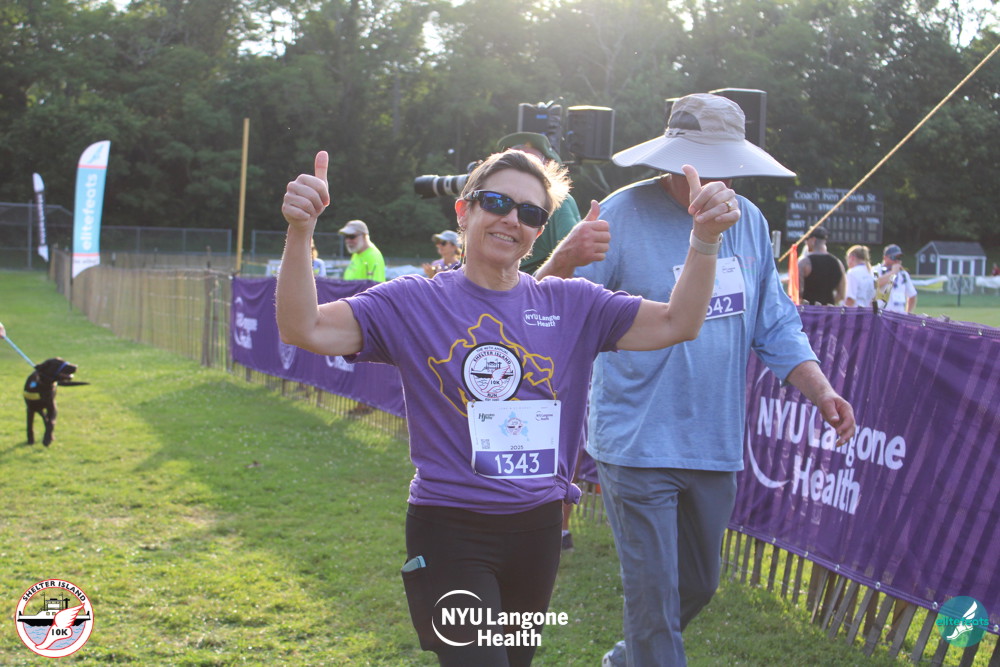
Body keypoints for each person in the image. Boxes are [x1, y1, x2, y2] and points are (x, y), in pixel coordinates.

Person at [278, 148, 739, 666]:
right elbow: (303, 327)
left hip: (537, 532)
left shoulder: (572, 305)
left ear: (539, 231)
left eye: (531, 212)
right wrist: (300, 231)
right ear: (464, 211)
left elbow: (680, 322)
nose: (511, 219)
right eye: (496, 202)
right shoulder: (412, 302)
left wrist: (704, 239)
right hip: (449, 529)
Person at [536, 93, 856, 667]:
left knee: (699, 585)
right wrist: (562, 257)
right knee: (654, 601)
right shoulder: (619, 214)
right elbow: (552, 311)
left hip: (712, 441)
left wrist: (821, 389)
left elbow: (774, 321)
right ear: (671, 159)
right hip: (635, 441)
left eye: (724, 163)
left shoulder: (748, 221)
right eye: (700, 160)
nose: (714, 176)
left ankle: (624, 661)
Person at [497, 132, 581, 274]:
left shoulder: (558, 201)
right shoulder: (492, 199)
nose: (520, 168)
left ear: (547, 165)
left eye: (530, 161)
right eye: (511, 160)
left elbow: (574, 259)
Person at [798, 226, 846, 305]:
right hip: (828, 310)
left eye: (806, 240)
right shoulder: (838, 263)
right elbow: (841, 294)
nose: (806, 243)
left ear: (813, 240)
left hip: (808, 310)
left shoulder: (804, 262)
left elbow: (798, 291)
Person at [873, 243, 917, 313]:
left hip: (898, 315)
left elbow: (912, 295)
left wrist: (907, 313)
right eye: (894, 258)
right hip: (881, 314)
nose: (897, 261)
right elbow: (876, 284)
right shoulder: (876, 270)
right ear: (885, 258)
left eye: (899, 258)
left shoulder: (903, 274)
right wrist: (893, 272)